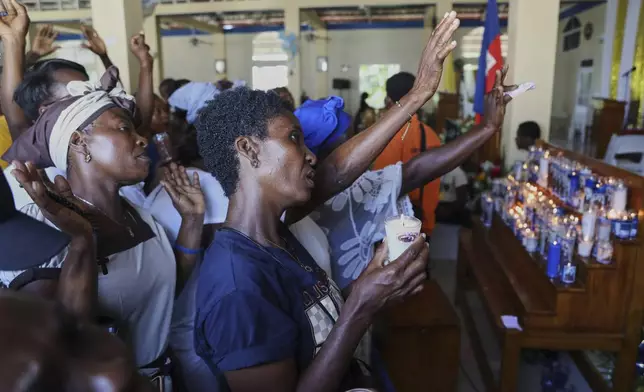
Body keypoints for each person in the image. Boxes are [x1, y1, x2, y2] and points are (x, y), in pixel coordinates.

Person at [192, 13, 470, 390]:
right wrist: (360, 307)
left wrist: (374, 287)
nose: (310, 156)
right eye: (294, 139)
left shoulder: (276, 237)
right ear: (248, 149)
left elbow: (337, 171)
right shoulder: (238, 286)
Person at [2, 66, 205, 381]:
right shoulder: (45, 225)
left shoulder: (139, 215)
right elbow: (54, 349)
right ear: (80, 141)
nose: (141, 140)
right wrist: (83, 242)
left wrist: (192, 222)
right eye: (124, 128)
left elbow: (160, 292)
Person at [0, 1, 154, 141]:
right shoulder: (47, 157)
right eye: (76, 94)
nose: (92, 98)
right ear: (45, 111)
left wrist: (145, 63)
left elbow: (141, 119)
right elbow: (17, 120)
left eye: (91, 90)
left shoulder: (109, 139)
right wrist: (14, 41)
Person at [372, 72, 442, 239]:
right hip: (423, 223)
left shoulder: (389, 134)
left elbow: (381, 184)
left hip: (393, 227)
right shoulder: (430, 134)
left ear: (390, 100)